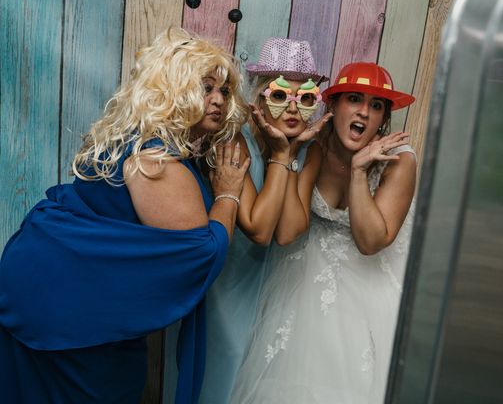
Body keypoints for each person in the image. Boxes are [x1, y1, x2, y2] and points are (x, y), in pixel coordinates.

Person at [0, 27, 249, 404]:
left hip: (37, 295)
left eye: (224, 91)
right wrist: (228, 191)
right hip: (70, 322)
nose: (217, 100)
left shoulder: (130, 142)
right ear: (173, 87)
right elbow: (202, 255)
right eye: (205, 87)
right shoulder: (155, 161)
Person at [229, 62, 417, 404]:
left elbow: (371, 242)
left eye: (376, 106)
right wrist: (289, 152)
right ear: (333, 106)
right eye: (355, 99)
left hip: (371, 281)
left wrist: (359, 171)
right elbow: (287, 232)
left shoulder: (399, 160)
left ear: (384, 119)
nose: (364, 111)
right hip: (306, 272)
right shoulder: (314, 147)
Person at [189, 38, 332, 404]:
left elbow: (288, 232)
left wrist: (291, 151)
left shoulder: (310, 151)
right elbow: (259, 229)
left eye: (305, 98)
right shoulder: (233, 141)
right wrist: (282, 156)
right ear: (258, 97)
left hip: (277, 287)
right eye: (281, 95)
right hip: (231, 284)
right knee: (224, 375)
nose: (292, 109)